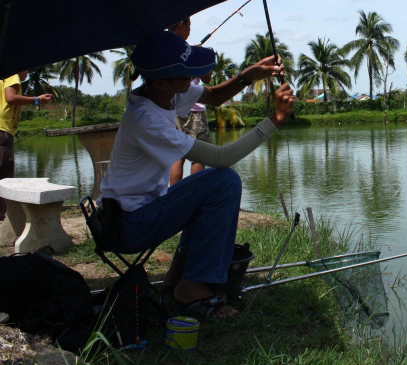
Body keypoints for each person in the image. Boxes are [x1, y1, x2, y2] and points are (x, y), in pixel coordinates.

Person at [99, 31, 295, 319]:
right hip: (129, 226)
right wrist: (274, 121)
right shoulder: (146, 119)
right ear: (163, 81)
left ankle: (179, 276)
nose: (194, 79)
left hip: (137, 212)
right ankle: (191, 288)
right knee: (224, 181)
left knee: (206, 187)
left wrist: (249, 75)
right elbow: (221, 158)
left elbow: (214, 96)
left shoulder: (163, 94)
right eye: (187, 75)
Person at [0, 71, 54, 220]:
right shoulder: (11, 74)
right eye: (27, 69)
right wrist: (37, 99)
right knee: (4, 178)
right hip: (2, 131)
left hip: (5, 131)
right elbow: (10, 97)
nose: (28, 73)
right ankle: (4, 219)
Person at [166, 17, 211, 184]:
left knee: (177, 156)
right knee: (199, 157)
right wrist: (202, 56)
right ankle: (193, 197)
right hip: (195, 110)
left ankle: (174, 196)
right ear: (181, 24)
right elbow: (207, 78)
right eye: (189, 25)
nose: (190, 29)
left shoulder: (165, 50)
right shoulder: (190, 53)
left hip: (172, 111)